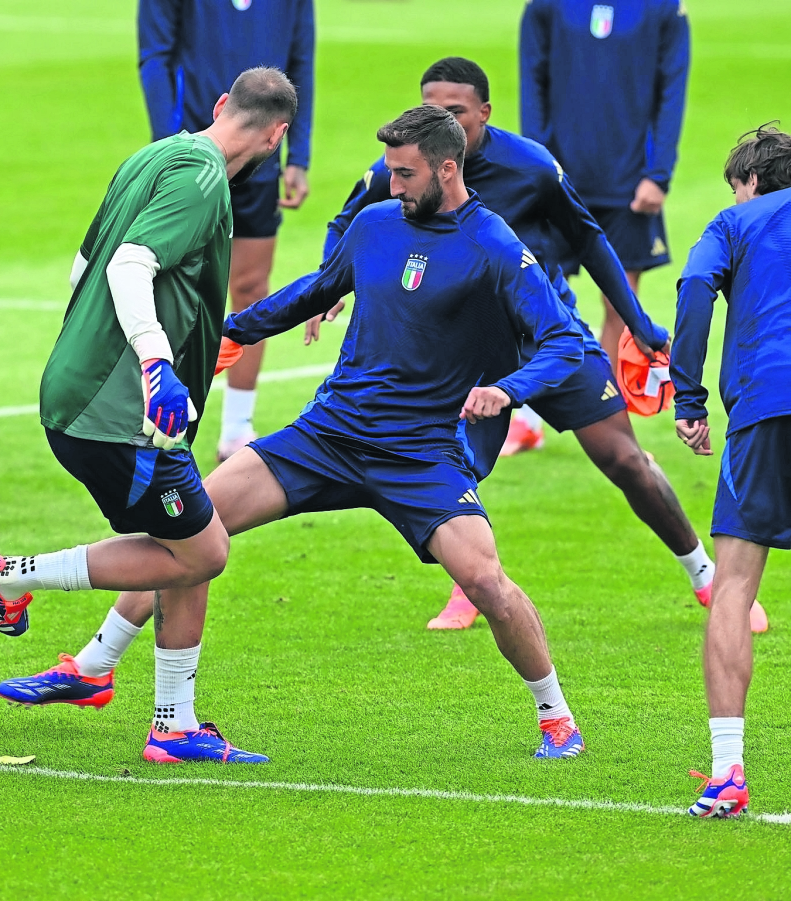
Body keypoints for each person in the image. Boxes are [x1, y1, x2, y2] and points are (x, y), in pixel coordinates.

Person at [0, 105, 591, 760]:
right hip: (327, 433)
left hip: (419, 452)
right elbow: (315, 290)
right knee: (192, 532)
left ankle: (556, 715)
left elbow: (563, 340)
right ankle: (96, 664)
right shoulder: (375, 225)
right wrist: (232, 331)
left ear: (448, 170)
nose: (391, 186)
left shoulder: (496, 245)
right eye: (389, 172)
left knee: (485, 580)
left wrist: (508, 389)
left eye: (403, 174)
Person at [308, 57, 764, 634]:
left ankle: (707, 578)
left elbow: (590, 242)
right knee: (457, 464)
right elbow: (344, 221)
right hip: (466, 352)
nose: (441, 119)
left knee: (624, 459)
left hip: (549, 338)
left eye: (455, 111)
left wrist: (638, 323)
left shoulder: (531, 167)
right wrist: (330, 283)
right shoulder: (402, 169)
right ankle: (468, 589)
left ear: (485, 113)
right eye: (431, 108)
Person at [0, 68, 297, 764]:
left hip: (89, 395)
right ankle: (8, 576)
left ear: (218, 106)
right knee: (202, 551)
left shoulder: (154, 154)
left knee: (188, 545)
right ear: (278, 135)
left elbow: (82, 265)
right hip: (121, 412)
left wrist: (172, 344)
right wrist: (153, 362)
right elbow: (127, 264)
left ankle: (166, 718)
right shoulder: (204, 178)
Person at [672, 125, 791, 818]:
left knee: (735, 588)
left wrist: (687, 395)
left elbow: (693, 285)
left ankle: (727, 773)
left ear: (748, 181)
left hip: (767, 407)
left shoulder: (734, 220)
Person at [138, 0, 314, 461]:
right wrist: (170, 145)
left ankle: (237, 426)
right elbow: (155, 55)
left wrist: (298, 154)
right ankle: (158, 420)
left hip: (262, 155)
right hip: (195, 149)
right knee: (176, 289)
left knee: (252, 285)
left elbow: (301, 60)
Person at [518, 0, 690, 454]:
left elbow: (672, 89)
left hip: (629, 180)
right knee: (537, 298)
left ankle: (614, 431)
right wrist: (535, 164)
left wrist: (659, 172)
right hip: (558, 175)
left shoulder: (665, 9)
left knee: (619, 305)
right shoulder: (546, 7)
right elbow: (531, 81)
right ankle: (526, 417)